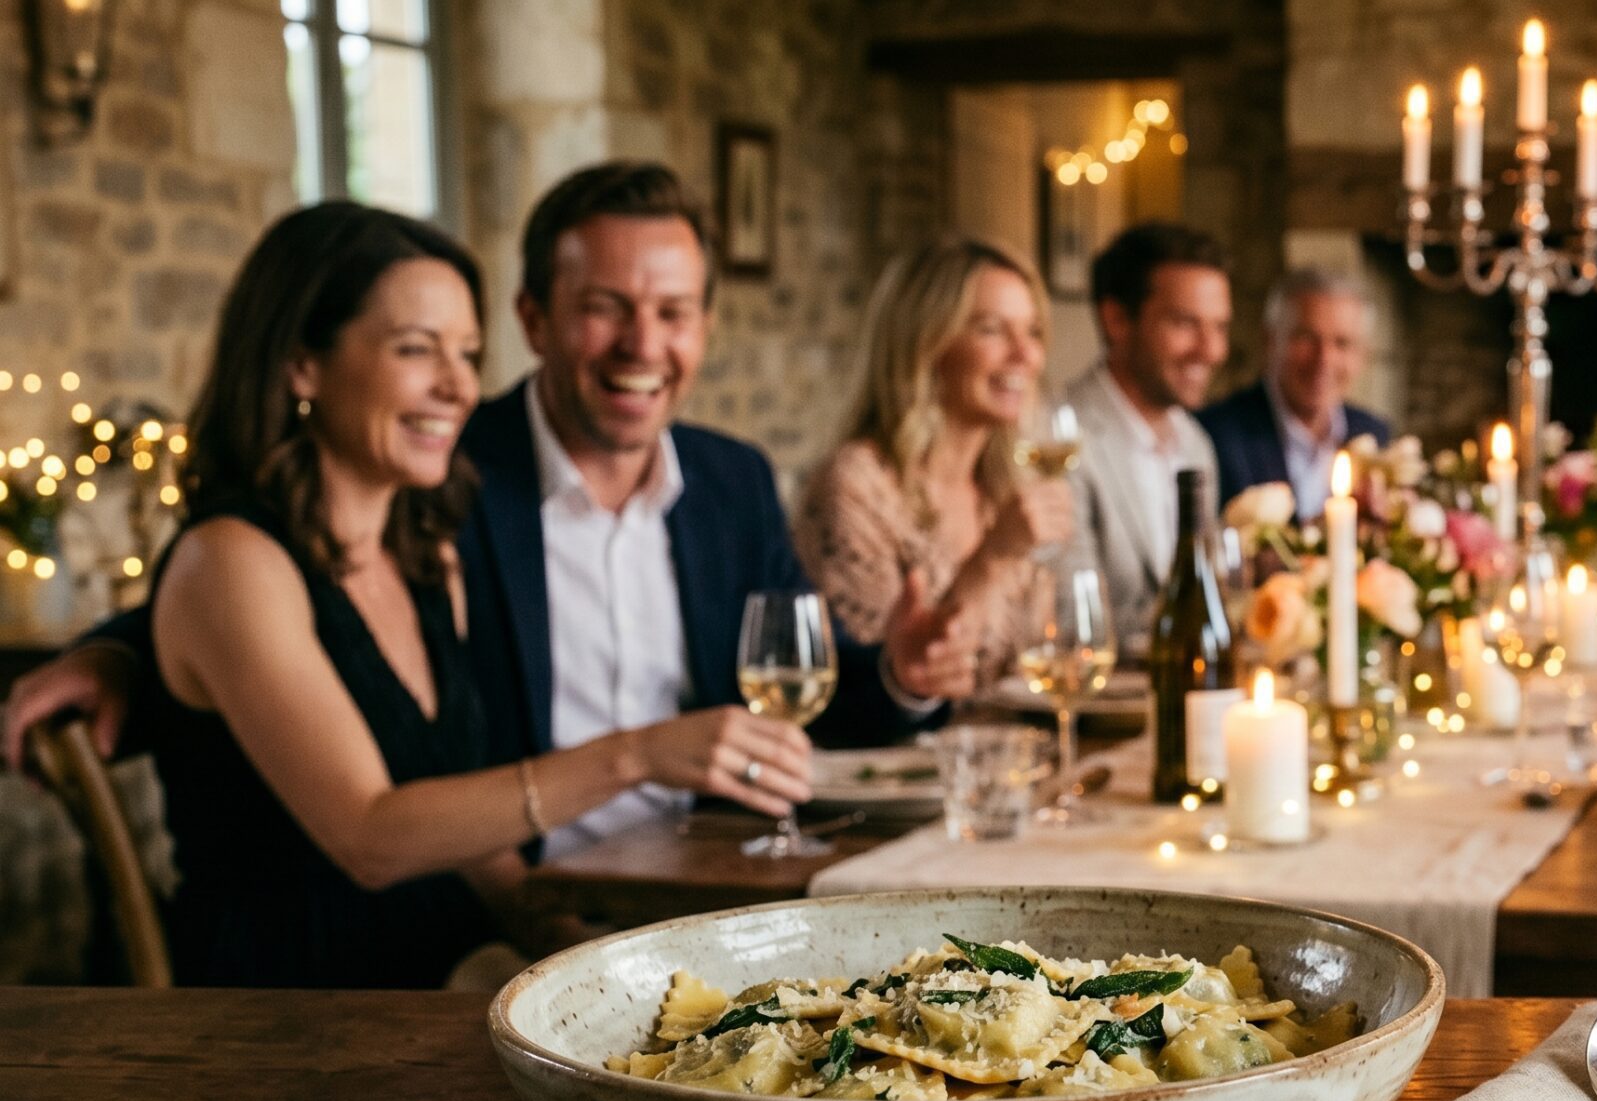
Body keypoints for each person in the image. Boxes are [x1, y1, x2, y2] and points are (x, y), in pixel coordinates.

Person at [6, 162, 975, 859]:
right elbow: (275, 581)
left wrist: (900, 671)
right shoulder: (442, 471)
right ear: (537, 320)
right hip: (503, 896)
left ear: (704, 328)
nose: (644, 344)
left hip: (686, 878)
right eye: (606, 306)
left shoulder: (730, 480)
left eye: (674, 312)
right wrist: (118, 652)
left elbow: (794, 694)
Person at [137, 202, 808, 988]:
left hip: (460, 974)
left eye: (466, 353)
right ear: (301, 362)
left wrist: (550, 930)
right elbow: (371, 835)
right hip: (299, 1009)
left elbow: (451, 802)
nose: (458, 387)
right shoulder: (230, 562)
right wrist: (639, 754)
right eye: (416, 350)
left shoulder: (422, 551)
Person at [795, 237, 1077, 693]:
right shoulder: (858, 487)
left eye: (1033, 332)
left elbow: (1035, 663)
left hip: (1010, 755)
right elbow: (884, 690)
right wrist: (994, 557)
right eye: (991, 329)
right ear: (925, 343)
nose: (1025, 356)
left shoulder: (1006, 487)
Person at [1063, 222, 1229, 639]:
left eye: (1220, 327)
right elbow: (1071, 617)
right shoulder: (1060, 439)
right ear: (1117, 319)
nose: (1211, 351)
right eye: (1185, 324)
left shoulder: (1195, 443)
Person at [1197, 267, 1391, 520]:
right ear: (1270, 341)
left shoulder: (1374, 433)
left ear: (1363, 356)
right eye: (1306, 338)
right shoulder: (1216, 434)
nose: (1324, 360)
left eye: (1342, 343)